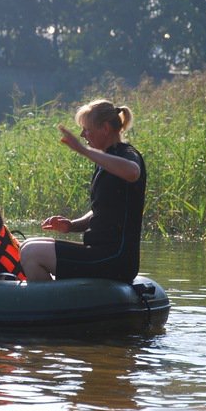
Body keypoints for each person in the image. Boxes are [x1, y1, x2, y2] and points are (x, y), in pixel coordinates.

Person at [20, 99, 146, 283]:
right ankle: (57, 300)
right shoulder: (105, 161)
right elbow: (100, 211)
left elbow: (133, 172)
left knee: (32, 254)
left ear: (105, 128)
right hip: (97, 252)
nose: (82, 134)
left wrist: (83, 150)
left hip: (115, 259)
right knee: (27, 245)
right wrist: (71, 225)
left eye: (87, 129)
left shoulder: (127, 154)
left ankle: (52, 307)